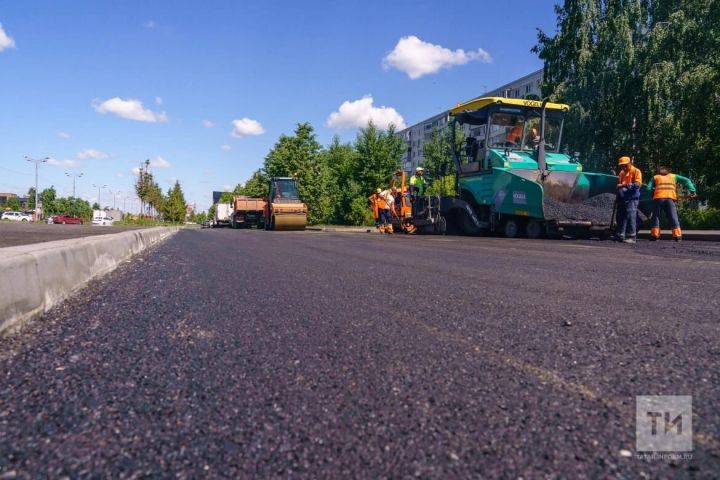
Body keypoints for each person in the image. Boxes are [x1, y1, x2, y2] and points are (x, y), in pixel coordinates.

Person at [645, 165, 697, 241]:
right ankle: (677, 236)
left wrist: (652, 194)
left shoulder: (655, 177)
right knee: (673, 216)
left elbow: (648, 188)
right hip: (670, 198)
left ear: (659, 171)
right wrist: (692, 190)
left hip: (658, 199)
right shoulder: (674, 176)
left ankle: (655, 235)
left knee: (656, 217)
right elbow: (687, 180)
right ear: (668, 170)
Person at [615, 156, 643, 244]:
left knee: (631, 216)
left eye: (625, 165)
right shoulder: (622, 173)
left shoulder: (636, 171)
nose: (623, 167)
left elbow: (637, 184)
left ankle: (632, 236)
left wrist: (624, 186)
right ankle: (621, 235)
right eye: (622, 166)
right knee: (621, 216)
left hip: (632, 198)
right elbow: (619, 185)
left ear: (630, 163)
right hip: (623, 197)